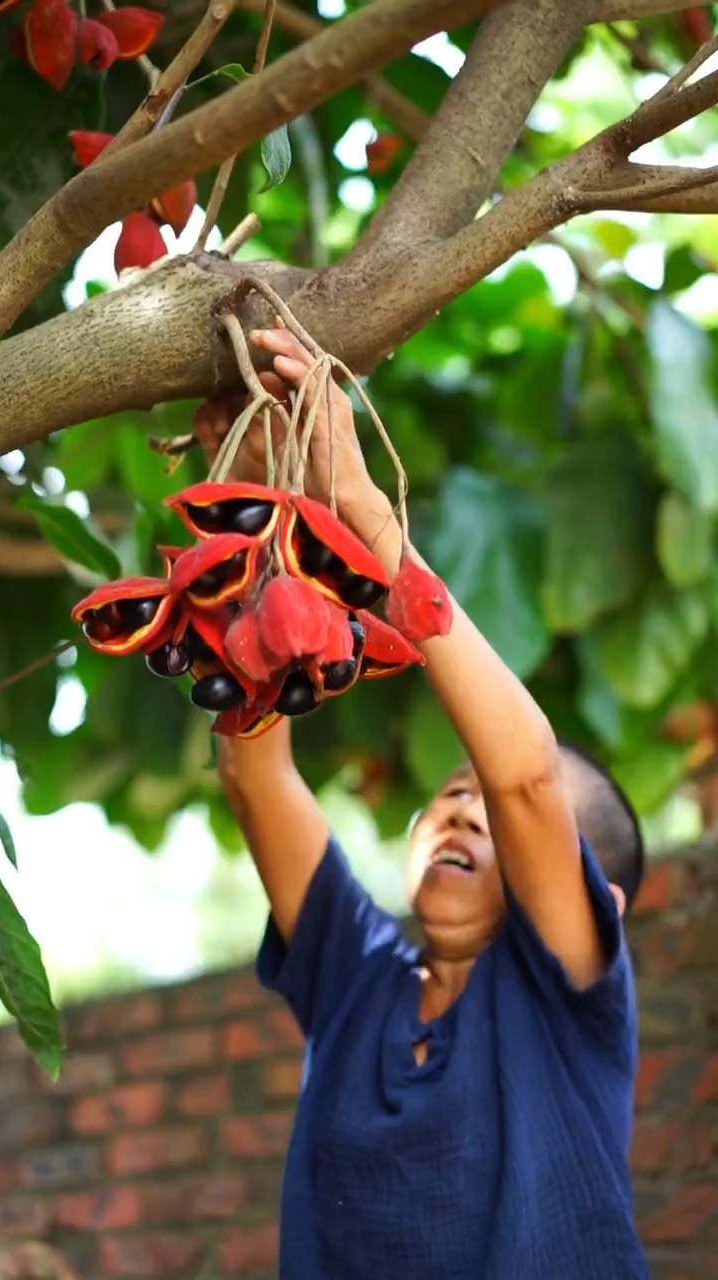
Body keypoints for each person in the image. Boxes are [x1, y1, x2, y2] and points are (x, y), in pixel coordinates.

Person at [196, 326, 651, 1280]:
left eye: (505, 818)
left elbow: (524, 773)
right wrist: (261, 543)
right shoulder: (354, 977)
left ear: (595, 912)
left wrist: (361, 510)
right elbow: (256, 775)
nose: (471, 810)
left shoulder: (566, 1008)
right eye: (453, 794)